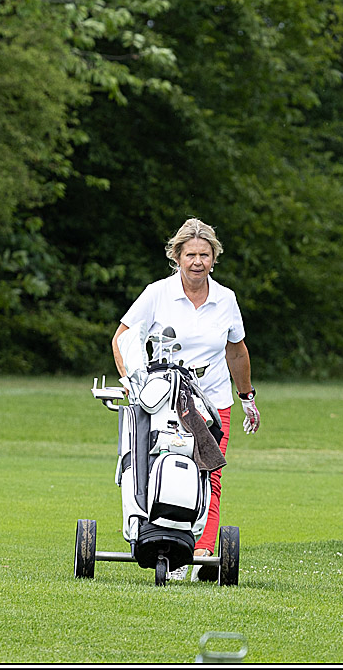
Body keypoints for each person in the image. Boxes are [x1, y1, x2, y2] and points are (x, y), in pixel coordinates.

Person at [111, 218, 260, 580]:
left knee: (210, 473)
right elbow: (123, 338)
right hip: (163, 398)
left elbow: (236, 352)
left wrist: (247, 397)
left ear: (214, 258)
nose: (197, 262)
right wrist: (131, 380)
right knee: (158, 462)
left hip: (210, 399)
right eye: (190, 254)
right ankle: (162, 540)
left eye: (204, 255)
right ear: (176, 256)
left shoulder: (226, 299)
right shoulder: (157, 293)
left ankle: (203, 551)